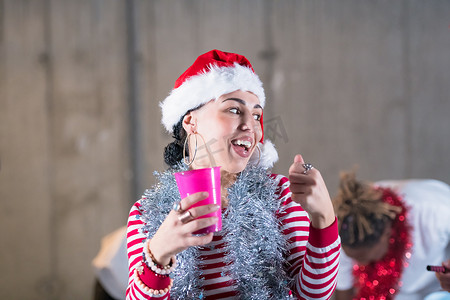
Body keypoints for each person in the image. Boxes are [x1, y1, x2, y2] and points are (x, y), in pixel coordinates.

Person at [126, 49, 340, 299]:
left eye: (257, 114)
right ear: (190, 121)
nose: (251, 124)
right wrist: (158, 255)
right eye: (234, 110)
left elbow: (312, 296)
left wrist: (324, 217)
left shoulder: (281, 195)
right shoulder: (147, 213)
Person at [333, 171, 450, 300]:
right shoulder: (346, 227)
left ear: (386, 235)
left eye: (367, 258)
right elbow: (343, 290)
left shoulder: (437, 213)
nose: (360, 263)